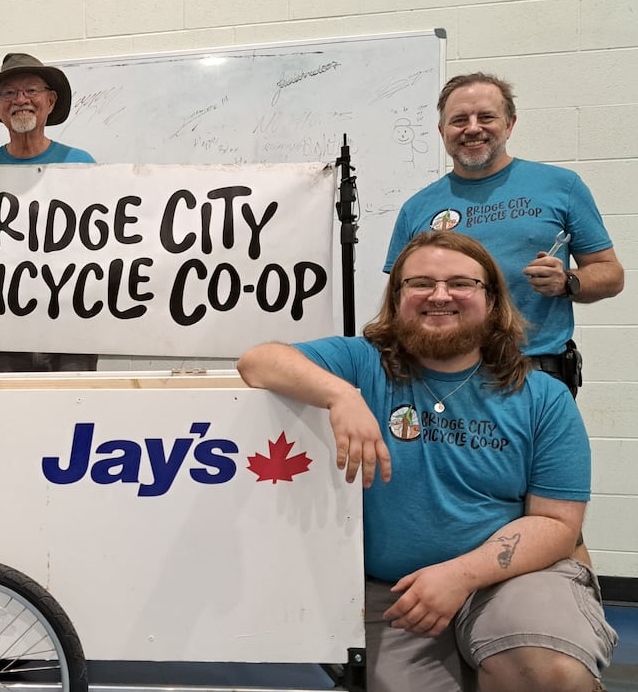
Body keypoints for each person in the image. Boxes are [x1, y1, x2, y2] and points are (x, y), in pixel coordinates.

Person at [237, 231, 615, 692]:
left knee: (547, 672)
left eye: (461, 283)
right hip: (398, 592)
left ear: (492, 300)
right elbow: (259, 361)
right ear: (397, 298)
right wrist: (341, 395)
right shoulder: (362, 363)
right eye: (419, 283)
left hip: (515, 577)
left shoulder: (542, 396)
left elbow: (557, 523)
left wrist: (458, 576)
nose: (439, 295)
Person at [385, 72, 624, 397]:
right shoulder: (417, 208)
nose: (472, 128)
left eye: (486, 117)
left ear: (510, 124)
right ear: (442, 131)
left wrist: (566, 282)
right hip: (439, 378)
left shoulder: (561, 186)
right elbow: (399, 300)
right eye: (459, 120)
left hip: (535, 375)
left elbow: (611, 274)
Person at [0, 52, 98, 372]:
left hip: (71, 321)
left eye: (31, 90)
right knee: (1, 403)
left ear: (50, 101)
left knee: (73, 401)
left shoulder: (81, 165)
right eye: (9, 93)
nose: (20, 99)